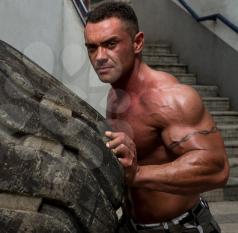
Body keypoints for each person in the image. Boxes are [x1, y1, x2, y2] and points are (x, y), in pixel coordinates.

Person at [84, 1, 230, 232]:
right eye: (92, 47)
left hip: (179, 226)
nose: (100, 56)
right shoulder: (116, 95)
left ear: (137, 42)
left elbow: (217, 168)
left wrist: (139, 174)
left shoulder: (171, 99)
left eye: (111, 44)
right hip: (132, 225)